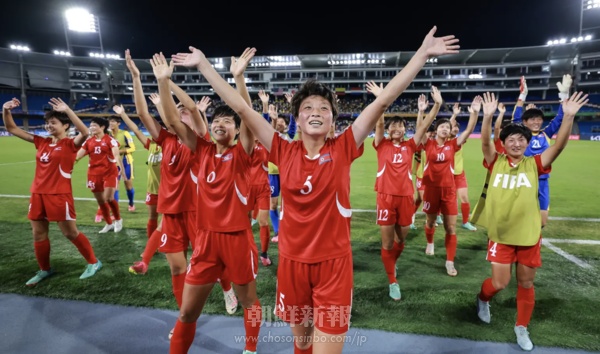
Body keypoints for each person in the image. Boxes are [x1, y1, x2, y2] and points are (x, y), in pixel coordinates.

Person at [172, 26, 459, 353]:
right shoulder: (282, 149)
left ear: (334, 121)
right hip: (292, 265)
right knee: (302, 342)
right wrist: (205, 65)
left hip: (334, 267)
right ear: (296, 117)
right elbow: (242, 109)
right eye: (307, 107)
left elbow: (385, 100)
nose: (316, 112)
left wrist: (421, 54)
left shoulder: (344, 146)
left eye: (324, 108)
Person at [125, 51, 238, 336]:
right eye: (177, 110)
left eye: (184, 111)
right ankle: (185, 319)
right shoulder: (166, 140)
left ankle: (227, 290)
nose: (181, 111)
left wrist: (169, 83)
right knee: (178, 268)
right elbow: (141, 113)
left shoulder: (200, 137)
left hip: (199, 214)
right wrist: (138, 78)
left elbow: (188, 107)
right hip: (172, 214)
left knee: (214, 263)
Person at [166, 48, 264, 354]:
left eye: (228, 121)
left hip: (237, 238)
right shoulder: (202, 150)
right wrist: (163, 81)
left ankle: (250, 349)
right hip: (205, 241)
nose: (221, 123)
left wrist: (239, 78)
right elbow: (173, 121)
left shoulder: (243, 153)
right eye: (217, 120)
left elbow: (247, 113)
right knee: (186, 312)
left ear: (236, 129)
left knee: (249, 302)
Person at [472, 91, 587, 351]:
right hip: (501, 235)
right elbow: (486, 145)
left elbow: (557, 147)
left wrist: (568, 116)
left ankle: (521, 327)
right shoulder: (495, 162)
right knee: (499, 284)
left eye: (521, 139)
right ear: (504, 143)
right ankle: (482, 299)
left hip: (529, 235)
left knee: (525, 283)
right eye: (511, 139)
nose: (516, 143)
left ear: (527, 142)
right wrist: (488, 117)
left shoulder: (535, 164)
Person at [2, 97, 102, 285]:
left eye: (53, 122)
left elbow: (84, 131)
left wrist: (68, 110)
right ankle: (45, 269)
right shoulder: (42, 142)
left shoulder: (71, 144)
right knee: (38, 234)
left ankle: (94, 262)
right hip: (38, 193)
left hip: (59, 195)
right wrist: (6, 110)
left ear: (65, 126)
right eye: (47, 123)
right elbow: (12, 129)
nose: (48, 126)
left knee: (70, 233)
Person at [369, 81, 439, 301]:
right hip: (385, 198)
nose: (397, 129)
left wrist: (435, 106)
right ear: (389, 130)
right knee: (387, 243)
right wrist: (381, 100)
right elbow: (378, 125)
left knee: (401, 242)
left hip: (406, 198)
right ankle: (392, 281)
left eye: (401, 126)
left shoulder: (411, 146)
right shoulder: (381, 144)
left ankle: (392, 265)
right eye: (393, 126)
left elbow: (424, 127)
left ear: (405, 130)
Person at [419, 94, 480, 277]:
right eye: (442, 127)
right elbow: (420, 128)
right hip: (430, 190)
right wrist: (422, 111)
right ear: (436, 130)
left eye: (448, 127)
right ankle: (430, 243)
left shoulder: (453, 145)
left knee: (451, 228)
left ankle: (449, 262)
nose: (446, 129)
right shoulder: (427, 144)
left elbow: (468, 131)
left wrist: (474, 114)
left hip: (449, 191)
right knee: (430, 222)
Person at [511, 75, 572, 229]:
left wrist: (564, 96)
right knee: (518, 216)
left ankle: (530, 243)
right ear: (525, 122)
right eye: (532, 119)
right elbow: (516, 118)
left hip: (543, 180)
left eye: (538, 119)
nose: (536, 122)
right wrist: (522, 95)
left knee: (542, 222)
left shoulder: (546, 134)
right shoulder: (523, 134)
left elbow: (560, 117)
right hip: (524, 178)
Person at [112, 102, 165, 267]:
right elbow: (135, 130)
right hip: (153, 189)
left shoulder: (171, 145)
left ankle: (159, 247)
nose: (151, 131)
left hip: (171, 192)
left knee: (173, 223)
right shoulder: (151, 145)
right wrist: (123, 114)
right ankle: (152, 246)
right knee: (153, 218)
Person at [76, 117, 126, 233]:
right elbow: (78, 155)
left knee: (108, 198)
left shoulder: (110, 140)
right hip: (93, 174)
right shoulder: (88, 141)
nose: (92, 128)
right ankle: (109, 224)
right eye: (91, 125)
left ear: (102, 127)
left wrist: (121, 169)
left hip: (109, 172)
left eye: (94, 125)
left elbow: (116, 155)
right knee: (100, 201)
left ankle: (118, 219)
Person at [267, 92, 297, 243]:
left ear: (285, 125)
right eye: (277, 122)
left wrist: (292, 104)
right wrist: (272, 119)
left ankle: (290, 229)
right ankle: (278, 232)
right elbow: (269, 129)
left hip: (287, 174)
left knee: (289, 204)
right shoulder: (271, 137)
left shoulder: (289, 136)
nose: (279, 123)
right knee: (273, 204)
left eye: (281, 122)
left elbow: (294, 122)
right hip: (272, 174)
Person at [448, 103, 477, 231]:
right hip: (446, 175)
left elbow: (469, 129)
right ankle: (438, 215)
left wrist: (473, 113)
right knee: (446, 199)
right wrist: (454, 115)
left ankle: (465, 222)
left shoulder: (459, 140)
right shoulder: (443, 140)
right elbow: (445, 127)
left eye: (457, 128)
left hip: (459, 173)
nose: (455, 129)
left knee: (464, 197)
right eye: (453, 127)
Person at [412, 95, 436, 230]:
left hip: (433, 176)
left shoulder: (436, 143)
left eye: (432, 133)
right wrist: (421, 112)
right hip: (422, 174)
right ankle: (427, 221)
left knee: (420, 199)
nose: (431, 135)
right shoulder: (423, 142)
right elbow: (419, 128)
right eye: (429, 133)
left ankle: (411, 217)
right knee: (423, 197)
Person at [108, 115, 136, 211]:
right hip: (113, 164)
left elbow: (132, 148)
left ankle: (131, 203)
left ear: (118, 123)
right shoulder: (107, 135)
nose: (111, 123)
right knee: (115, 187)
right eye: (110, 121)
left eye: (113, 121)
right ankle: (115, 211)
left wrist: (118, 151)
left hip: (126, 163)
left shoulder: (125, 134)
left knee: (128, 187)